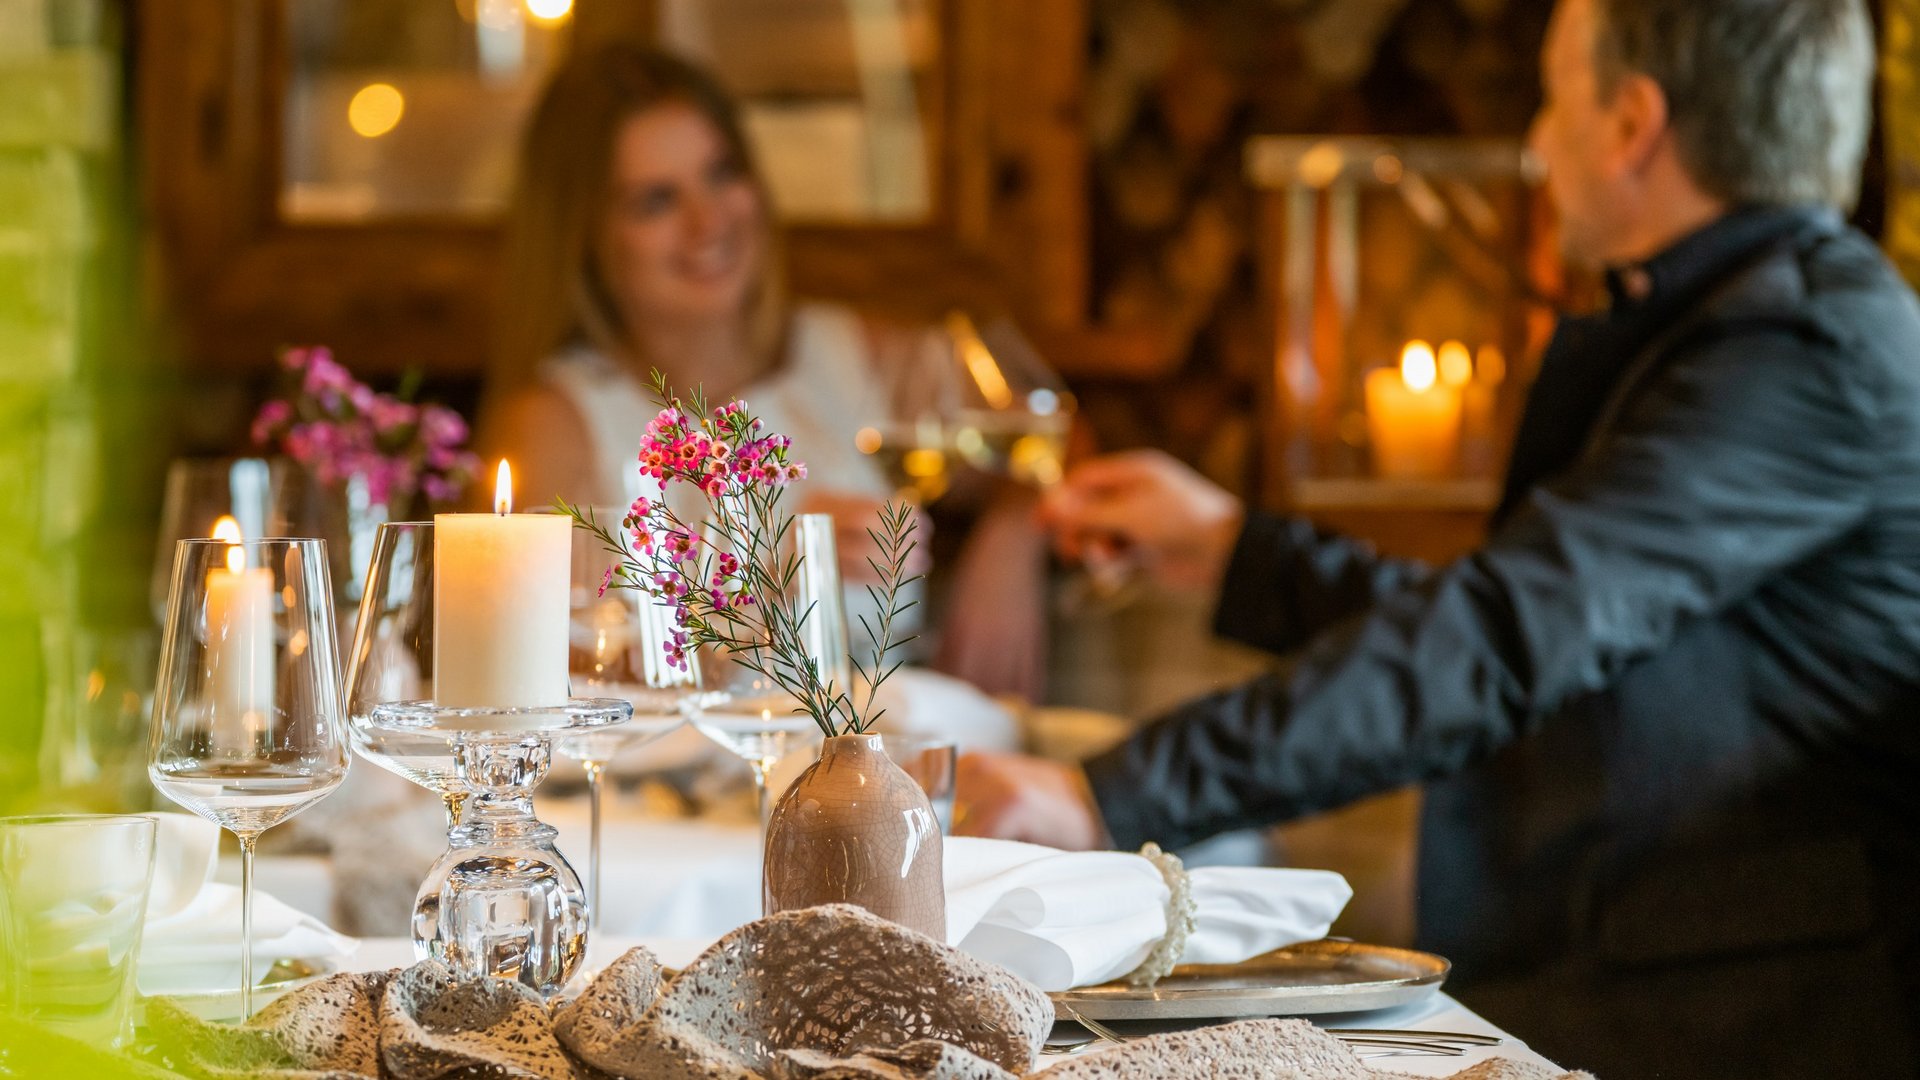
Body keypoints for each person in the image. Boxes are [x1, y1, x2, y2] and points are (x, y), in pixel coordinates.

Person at [957, 0, 1920, 1074]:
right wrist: (1239, 554)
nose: (1537, 145)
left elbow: (1503, 636)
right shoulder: (1717, 329)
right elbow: (1533, 631)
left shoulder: (1807, 348)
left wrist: (1111, 796)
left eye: (1554, 100)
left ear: (1631, 124)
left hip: (1753, 1025)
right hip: (1635, 978)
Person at [480, 46, 1049, 697]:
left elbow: (1051, 443)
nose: (709, 221)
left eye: (721, 174)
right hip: (672, 791)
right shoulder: (556, 424)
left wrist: (1012, 536)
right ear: (585, 236)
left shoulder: (862, 357)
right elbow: (543, 681)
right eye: (657, 201)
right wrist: (766, 589)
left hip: (886, 776)